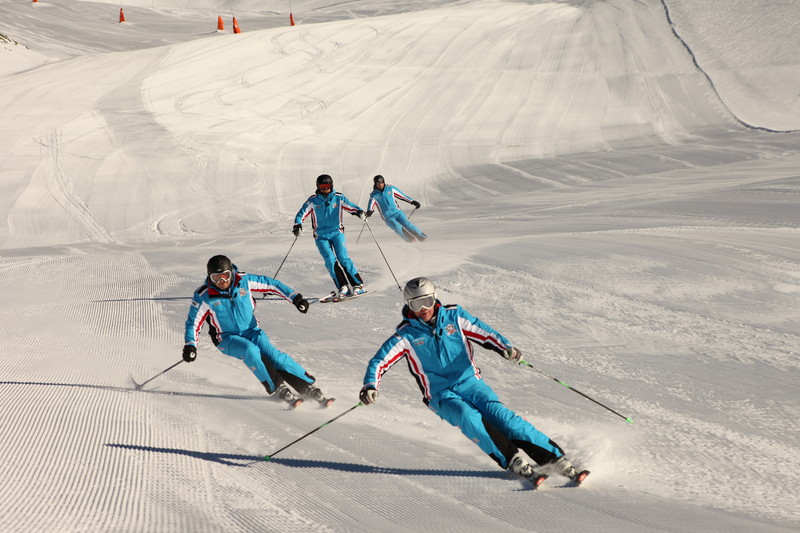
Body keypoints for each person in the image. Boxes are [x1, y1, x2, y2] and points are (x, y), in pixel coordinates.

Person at [359, 277, 587, 487]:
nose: (423, 309)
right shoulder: (406, 335)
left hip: (470, 383)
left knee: (504, 419)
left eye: (427, 301)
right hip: (440, 394)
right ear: (408, 304)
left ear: (435, 297)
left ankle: (554, 459)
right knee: (468, 417)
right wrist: (370, 386)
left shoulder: (454, 317)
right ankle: (512, 459)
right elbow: (379, 361)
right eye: (416, 304)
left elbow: (484, 332)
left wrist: (505, 348)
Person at [182, 254, 330, 407]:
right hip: (226, 338)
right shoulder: (204, 296)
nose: (222, 281)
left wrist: (295, 298)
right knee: (250, 351)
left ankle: (306, 386)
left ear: (231, 273)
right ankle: (277, 386)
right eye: (216, 278)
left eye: (225, 276)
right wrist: (190, 345)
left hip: (252, 331)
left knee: (274, 356)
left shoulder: (243, 281)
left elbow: (272, 285)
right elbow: (193, 323)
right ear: (210, 278)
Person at [293, 174, 367, 299]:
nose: (325, 189)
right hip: (321, 236)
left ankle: (358, 285)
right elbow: (302, 213)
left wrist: (359, 212)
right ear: (318, 187)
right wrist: (298, 224)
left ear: (331, 186)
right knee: (330, 260)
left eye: (327, 186)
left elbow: (350, 206)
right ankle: (343, 287)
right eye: (322, 186)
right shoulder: (313, 200)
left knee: (343, 258)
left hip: (337, 232)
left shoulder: (338, 197)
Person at [365, 175, 427, 242]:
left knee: (407, 224)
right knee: (397, 228)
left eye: (381, 182)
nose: (380, 185)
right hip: (387, 217)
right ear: (375, 184)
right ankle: (411, 240)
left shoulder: (390, 188)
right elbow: (371, 206)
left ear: (383, 182)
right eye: (378, 183)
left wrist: (413, 202)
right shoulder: (374, 195)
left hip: (397, 212)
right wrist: (369, 212)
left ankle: (422, 237)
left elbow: (402, 196)